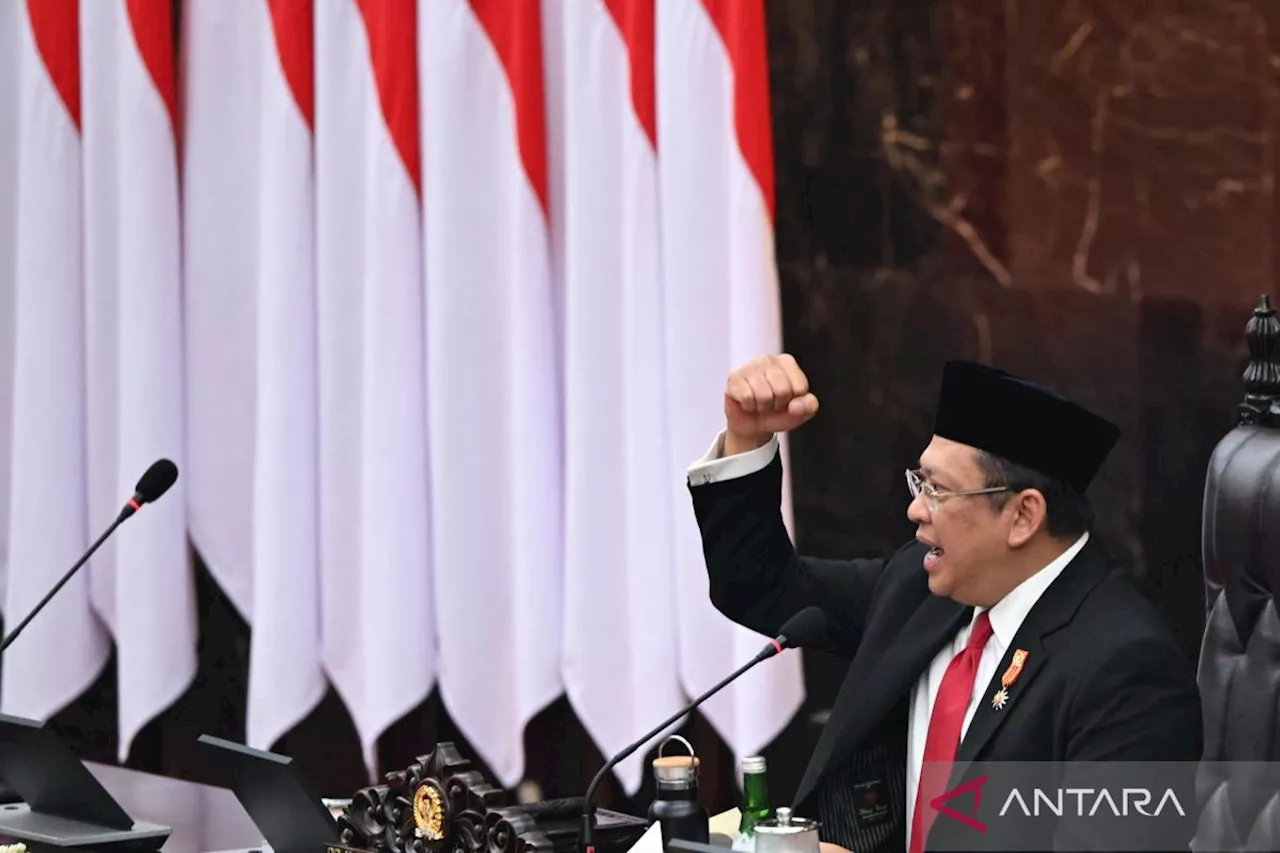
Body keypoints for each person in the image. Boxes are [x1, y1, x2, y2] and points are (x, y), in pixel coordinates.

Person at [686, 354, 1203, 853]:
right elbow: (761, 587)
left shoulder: (1126, 671)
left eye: (938, 491)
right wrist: (748, 438)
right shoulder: (918, 588)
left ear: (1023, 516)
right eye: (920, 483)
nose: (915, 510)